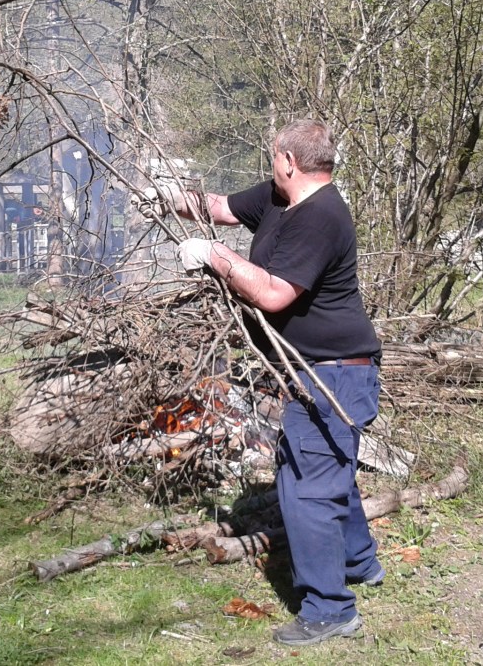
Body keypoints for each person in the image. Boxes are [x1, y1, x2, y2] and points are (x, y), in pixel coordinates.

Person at [145, 118, 384, 648]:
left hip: (335, 373)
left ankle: (330, 609)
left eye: (274, 156)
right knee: (329, 469)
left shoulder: (322, 216)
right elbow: (218, 208)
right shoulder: (281, 198)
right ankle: (359, 563)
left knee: (306, 488)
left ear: (289, 161)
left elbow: (275, 293)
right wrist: (163, 197)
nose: (271, 163)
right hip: (316, 369)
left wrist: (217, 256)